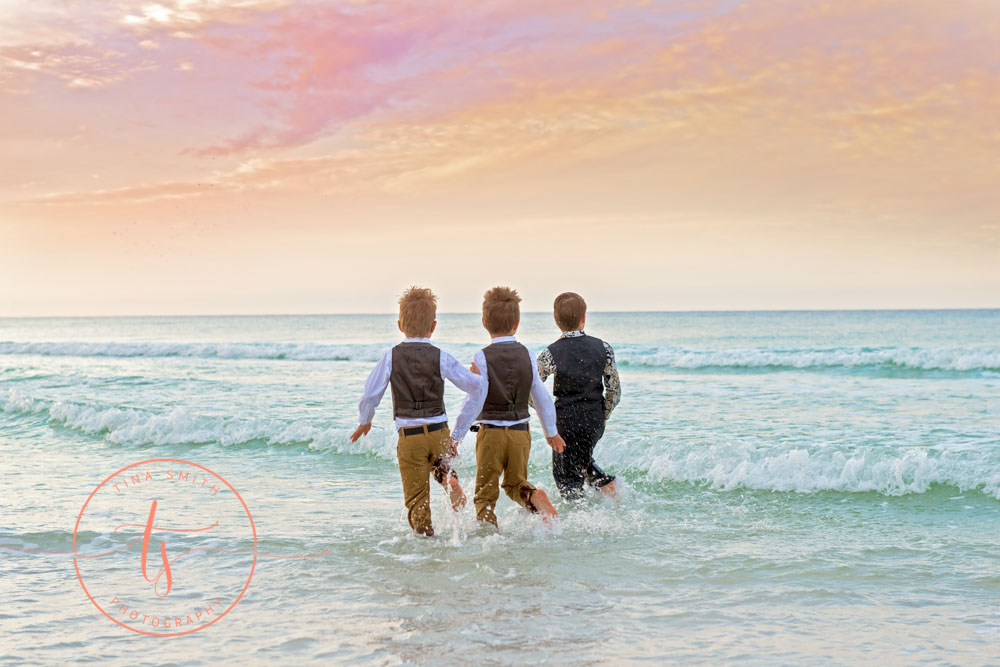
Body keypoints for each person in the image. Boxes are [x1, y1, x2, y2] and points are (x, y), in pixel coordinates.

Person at [350, 287, 486, 537]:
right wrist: (477, 377)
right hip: (439, 431)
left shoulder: (391, 357)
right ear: (433, 326)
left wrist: (365, 421)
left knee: (417, 502)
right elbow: (472, 385)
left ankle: (425, 549)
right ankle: (449, 480)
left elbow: (371, 393)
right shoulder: (441, 356)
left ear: (400, 324)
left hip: (410, 436)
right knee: (439, 466)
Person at [454, 286, 566, 529]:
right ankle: (534, 495)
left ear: (484, 322)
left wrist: (456, 436)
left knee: (485, 493)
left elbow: (475, 398)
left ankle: (488, 539)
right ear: (517, 323)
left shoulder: (482, 356)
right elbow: (541, 396)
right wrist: (551, 432)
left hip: (491, 434)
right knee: (515, 484)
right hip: (520, 433)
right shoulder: (527, 354)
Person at [536, 292, 621, 500]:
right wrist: (604, 415)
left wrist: (546, 414)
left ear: (556, 321)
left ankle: (578, 523)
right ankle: (611, 493)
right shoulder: (604, 348)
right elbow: (614, 391)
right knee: (582, 461)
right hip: (593, 420)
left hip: (565, 421)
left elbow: (533, 388)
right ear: (584, 318)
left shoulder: (550, 353)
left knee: (566, 477)